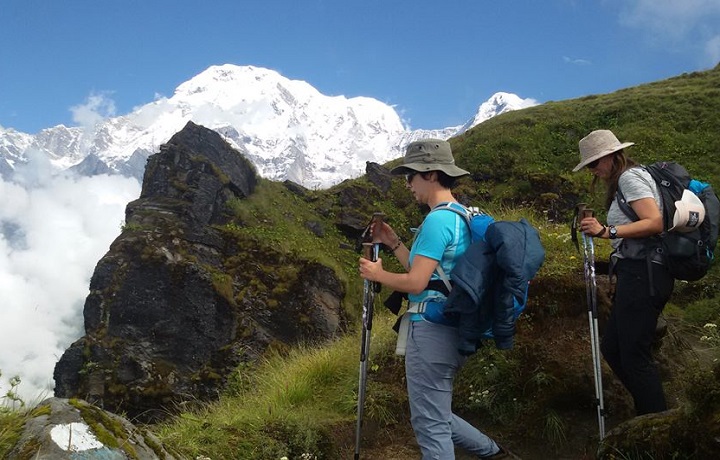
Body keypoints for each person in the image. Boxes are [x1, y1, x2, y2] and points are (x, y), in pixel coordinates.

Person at [358, 139, 514, 459]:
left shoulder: (436, 220)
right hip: (453, 327)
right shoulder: (461, 216)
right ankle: (493, 453)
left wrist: (377, 275)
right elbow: (431, 276)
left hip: (430, 330)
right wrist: (394, 242)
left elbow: (415, 283)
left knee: (430, 424)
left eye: (410, 176)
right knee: (435, 414)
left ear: (430, 174)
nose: (408, 184)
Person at [573, 129, 673, 416]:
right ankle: (649, 411)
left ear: (611, 157)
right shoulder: (622, 182)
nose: (593, 171)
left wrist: (607, 231)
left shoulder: (630, 178)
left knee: (633, 355)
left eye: (594, 164)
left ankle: (656, 423)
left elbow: (654, 222)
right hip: (636, 272)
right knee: (614, 348)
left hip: (645, 273)